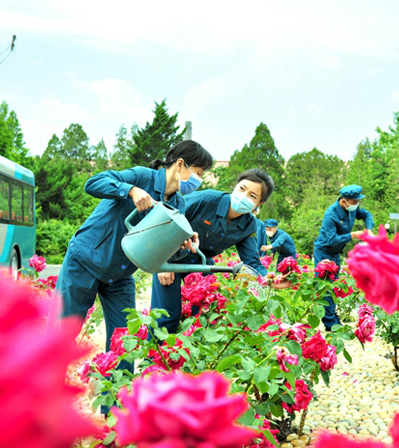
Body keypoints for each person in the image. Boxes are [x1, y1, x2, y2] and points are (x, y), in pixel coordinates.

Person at [56, 141, 214, 365]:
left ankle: (111, 400)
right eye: (198, 173)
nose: (199, 180)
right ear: (180, 164)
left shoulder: (179, 204)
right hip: (86, 261)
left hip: (120, 275)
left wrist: (183, 245)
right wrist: (129, 190)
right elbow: (93, 183)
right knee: (61, 337)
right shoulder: (142, 177)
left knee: (125, 345)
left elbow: (161, 252)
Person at [152, 169, 276, 335]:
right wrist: (162, 262)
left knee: (203, 318)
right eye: (242, 188)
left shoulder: (249, 225)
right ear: (235, 186)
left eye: (252, 196)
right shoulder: (206, 200)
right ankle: (153, 360)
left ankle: (188, 358)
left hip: (202, 267)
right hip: (170, 260)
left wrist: (267, 280)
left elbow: (251, 262)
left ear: (259, 204)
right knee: (167, 317)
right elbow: (165, 218)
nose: (244, 196)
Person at [313, 185, 374, 330]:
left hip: (335, 253)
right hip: (324, 251)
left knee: (333, 286)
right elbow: (332, 240)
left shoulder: (352, 208)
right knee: (325, 287)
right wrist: (353, 235)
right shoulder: (331, 214)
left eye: (357, 201)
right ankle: (330, 324)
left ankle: (333, 318)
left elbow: (367, 215)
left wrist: (368, 229)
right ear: (343, 201)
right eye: (354, 202)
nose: (356, 204)